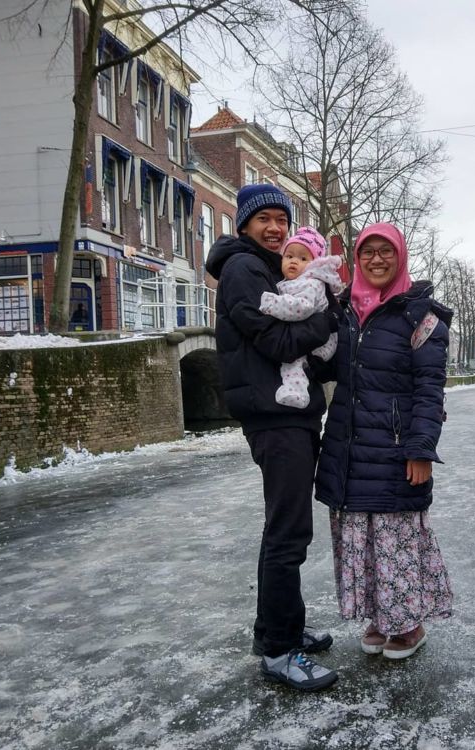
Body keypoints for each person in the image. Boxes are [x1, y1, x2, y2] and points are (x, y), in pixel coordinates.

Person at [205, 184, 338, 692]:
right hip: (274, 417)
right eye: (264, 219)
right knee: (287, 534)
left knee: (286, 530)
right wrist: (326, 316)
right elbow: (280, 340)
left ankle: (280, 628)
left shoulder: (269, 266)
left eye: (283, 219)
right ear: (243, 224)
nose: (276, 228)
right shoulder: (244, 270)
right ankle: (280, 649)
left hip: (289, 415)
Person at [315, 222, 453, 661]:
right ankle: (380, 617)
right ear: (357, 258)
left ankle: (409, 625)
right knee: (363, 538)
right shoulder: (341, 311)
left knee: (396, 540)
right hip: (350, 446)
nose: (376, 259)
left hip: (393, 448)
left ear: (400, 257)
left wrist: (420, 449)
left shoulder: (421, 316)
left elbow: (430, 388)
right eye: (367, 251)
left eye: (385, 251)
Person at [258, 226, 344, 408]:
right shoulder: (293, 282)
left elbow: (302, 308)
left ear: (314, 263)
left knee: (294, 360)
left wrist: (272, 304)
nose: (294, 262)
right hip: (314, 335)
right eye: (289, 256)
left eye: (303, 258)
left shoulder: (312, 283)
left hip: (322, 344)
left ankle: (296, 393)